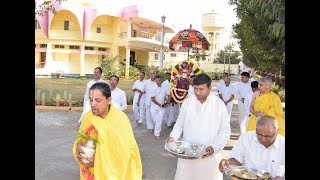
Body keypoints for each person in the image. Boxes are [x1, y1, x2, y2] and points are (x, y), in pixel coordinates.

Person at [166, 73, 231, 180]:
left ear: (210, 88)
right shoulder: (188, 103)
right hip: (187, 155)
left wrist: (215, 147)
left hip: (209, 155)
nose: (197, 92)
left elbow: (225, 131)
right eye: (195, 88)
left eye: (201, 89)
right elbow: (179, 124)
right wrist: (173, 137)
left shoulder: (219, 104)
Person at [72, 82, 142, 179]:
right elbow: (79, 141)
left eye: (98, 100)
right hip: (91, 173)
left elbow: (125, 152)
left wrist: (97, 160)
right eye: (91, 100)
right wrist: (79, 149)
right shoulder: (87, 118)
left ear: (109, 100)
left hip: (114, 174)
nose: (93, 104)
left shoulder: (120, 119)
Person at [219, 115, 285, 179]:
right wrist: (227, 162)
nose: (263, 139)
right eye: (259, 134)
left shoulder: (283, 144)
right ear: (256, 129)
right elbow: (237, 160)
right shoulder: (246, 138)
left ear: (277, 131)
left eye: (268, 136)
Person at [150, 74, 170, 139]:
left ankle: (157, 134)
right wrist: (159, 105)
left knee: (159, 120)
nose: (158, 82)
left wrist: (168, 102)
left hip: (162, 106)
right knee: (155, 119)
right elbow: (152, 99)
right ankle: (158, 129)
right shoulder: (152, 87)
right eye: (157, 81)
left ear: (161, 80)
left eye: (159, 80)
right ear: (155, 81)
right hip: (154, 106)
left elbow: (169, 95)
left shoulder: (165, 87)